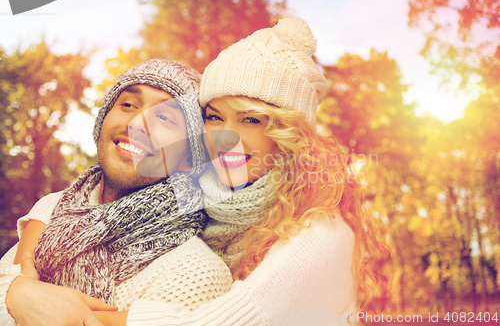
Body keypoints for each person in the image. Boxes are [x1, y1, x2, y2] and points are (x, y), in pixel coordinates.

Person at [3, 17, 390, 326]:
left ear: (288, 135)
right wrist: (25, 266)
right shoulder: (203, 197)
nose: (226, 138)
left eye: (252, 120)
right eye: (215, 117)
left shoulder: (320, 237)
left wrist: (40, 302)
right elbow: (72, 206)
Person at [0, 59, 232, 326]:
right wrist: (15, 292)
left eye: (166, 118)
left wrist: (15, 292)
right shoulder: (53, 209)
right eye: (129, 105)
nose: (136, 123)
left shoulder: (195, 273)